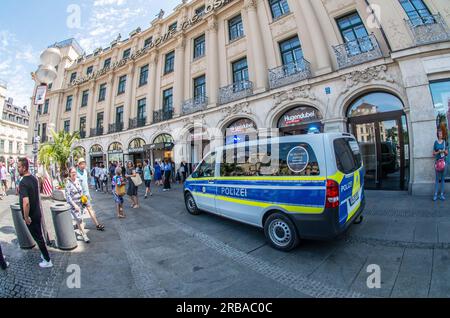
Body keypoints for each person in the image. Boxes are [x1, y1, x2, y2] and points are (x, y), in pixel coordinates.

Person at [17, 158, 53, 268]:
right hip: (37, 212)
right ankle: (44, 255)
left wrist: (26, 217)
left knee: (38, 238)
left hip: (31, 215)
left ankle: (47, 260)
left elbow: (26, 202)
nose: (17, 169)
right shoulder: (33, 178)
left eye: (19, 167)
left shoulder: (23, 182)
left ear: (24, 167)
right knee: (39, 236)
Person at [76, 158, 105, 231]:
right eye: (82, 164)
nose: (83, 165)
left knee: (90, 209)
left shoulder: (85, 171)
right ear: (78, 165)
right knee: (80, 213)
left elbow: (86, 181)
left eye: (84, 163)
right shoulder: (76, 173)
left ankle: (97, 225)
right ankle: (80, 226)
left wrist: (89, 187)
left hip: (86, 195)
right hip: (79, 196)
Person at [65, 167, 91, 243]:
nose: (74, 173)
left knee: (80, 219)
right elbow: (68, 197)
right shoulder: (68, 183)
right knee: (79, 220)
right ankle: (84, 235)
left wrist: (84, 202)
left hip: (80, 203)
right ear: (69, 173)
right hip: (74, 205)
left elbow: (81, 192)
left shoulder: (78, 181)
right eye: (72, 172)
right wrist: (74, 205)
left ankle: (80, 230)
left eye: (75, 172)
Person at [433, 129, 448, 201]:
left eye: (441, 134)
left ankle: (441, 195)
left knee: (442, 179)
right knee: (437, 179)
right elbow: (433, 153)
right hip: (437, 163)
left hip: (443, 163)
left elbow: (447, 153)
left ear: (442, 135)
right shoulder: (435, 143)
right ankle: (435, 194)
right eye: (439, 134)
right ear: (437, 134)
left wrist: (443, 151)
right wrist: (438, 152)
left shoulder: (444, 142)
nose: (440, 135)